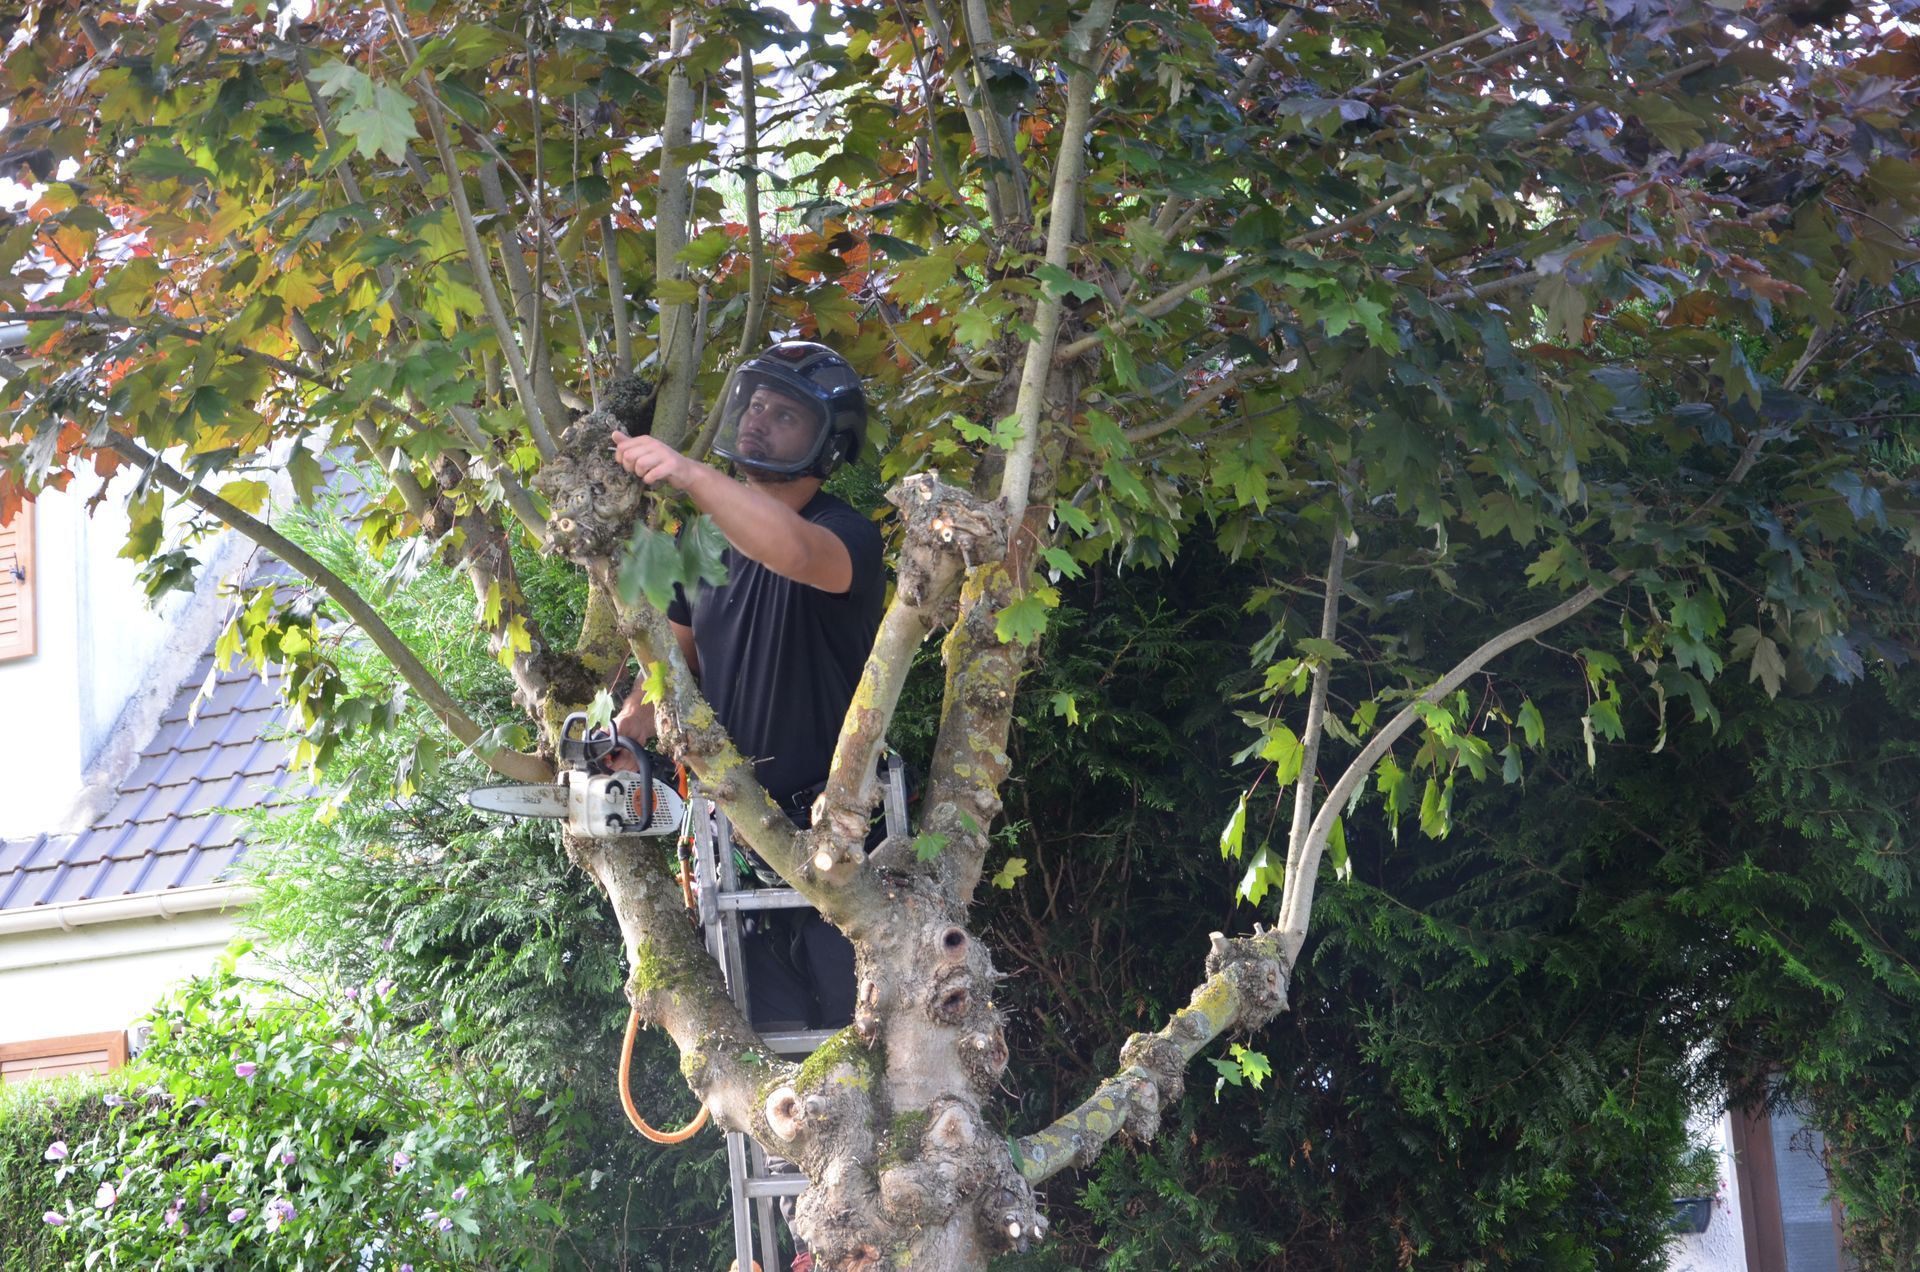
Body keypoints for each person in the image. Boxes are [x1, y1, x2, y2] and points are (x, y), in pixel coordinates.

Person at [607, 340, 883, 1034]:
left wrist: (690, 473)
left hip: (832, 841)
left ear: (825, 445)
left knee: (859, 1039)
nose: (758, 421)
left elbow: (793, 551)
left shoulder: (845, 534)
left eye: (784, 415)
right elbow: (673, 659)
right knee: (767, 1046)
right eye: (755, 405)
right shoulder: (703, 542)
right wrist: (630, 727)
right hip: (733, 839)